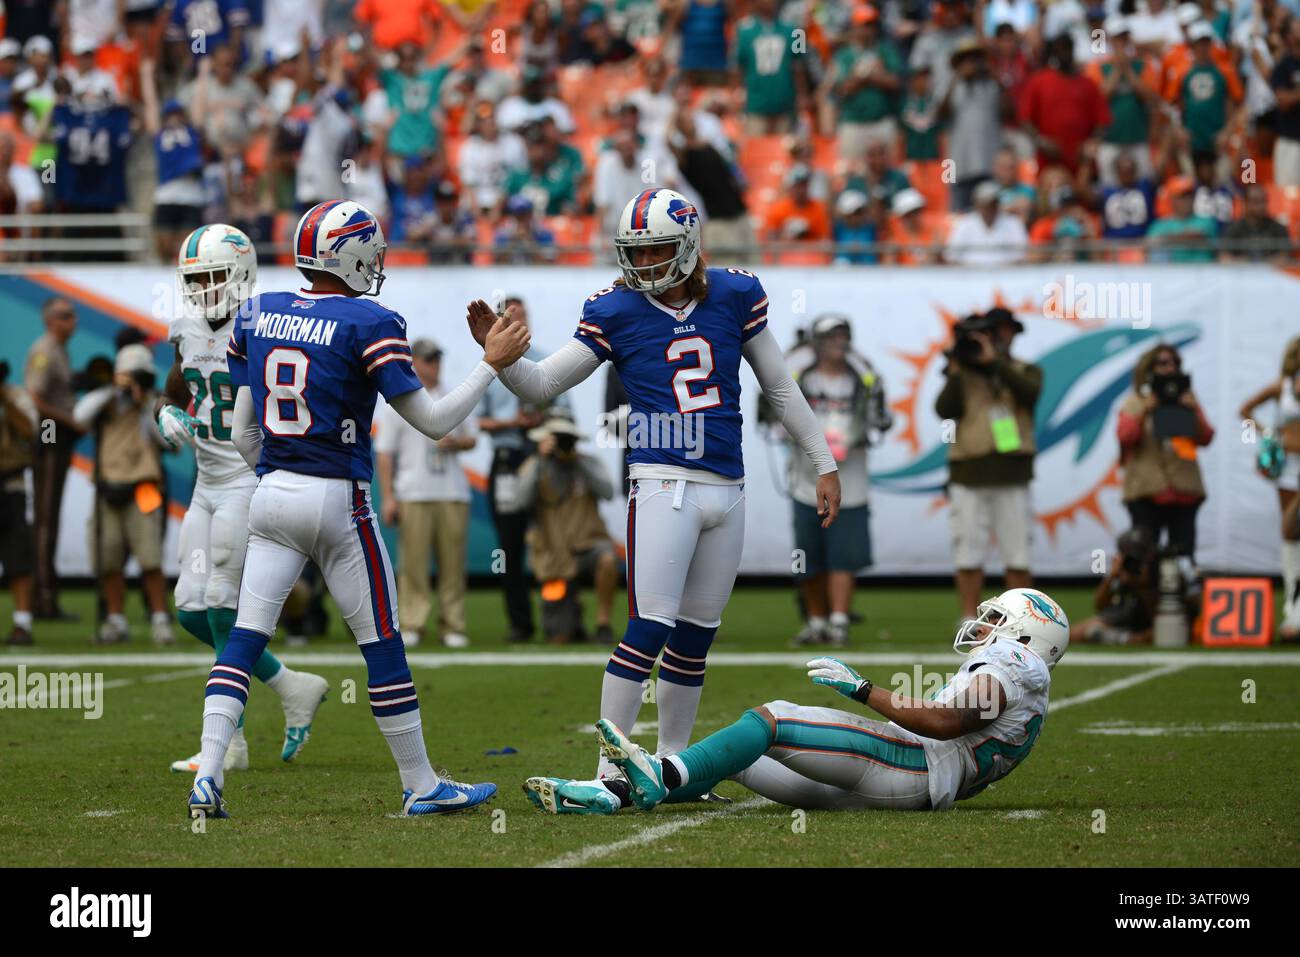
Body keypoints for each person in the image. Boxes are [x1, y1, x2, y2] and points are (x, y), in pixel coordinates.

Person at [464, 186, 840, 804]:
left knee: (695, 638)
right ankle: (609, 773)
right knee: (647, 629)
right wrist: (502, 358)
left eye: (656, 250)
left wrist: (822, 461)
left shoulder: (736, 293)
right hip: (664, 483)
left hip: (729, 486)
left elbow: (778, 384)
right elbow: (542, 385)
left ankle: (672, 770)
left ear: (688, 246)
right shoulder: (614, 309)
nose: (642, 265)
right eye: (634, 252)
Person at [184, 198, 530, 820]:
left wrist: (275, 474)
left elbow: (242, 434)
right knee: (382, 644)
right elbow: (433, 422)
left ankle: (208, 774)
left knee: (242, 637)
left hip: (270, 494)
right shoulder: (370, 321)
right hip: (339, 498)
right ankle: (421, 783)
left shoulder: (258, 313)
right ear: (350, 255)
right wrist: (489, 367)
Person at [525, 587, 1068, 815]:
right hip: (911, 787)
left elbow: (946, 721)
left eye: (999, 620)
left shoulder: (1015, 664)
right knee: (735, 756)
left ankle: (653, 779)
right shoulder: (1025, 677)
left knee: (773, 718)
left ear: (1026, 637)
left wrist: (864, 690)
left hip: (914, 764)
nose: (985, 625)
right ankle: (612, 794)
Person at [159, 224, 329, 774]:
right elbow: (177, 383)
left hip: (245, 480)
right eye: (196, 280)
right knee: (188, 609)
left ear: (240, 273)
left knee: (220, 603)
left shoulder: (260, 325)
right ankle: (291, 684)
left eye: (214, 277)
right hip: (204, 484)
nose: (205, 290)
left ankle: (227, 744)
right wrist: (165, 411)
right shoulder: (183, 327)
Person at [785, 315, 891, 648]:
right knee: (808, 556)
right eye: (830, 337)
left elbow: (881, 420)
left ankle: (839, 621)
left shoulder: (865, 379)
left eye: (843, 336)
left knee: (844, 556)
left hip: (852, 481)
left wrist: (866, 423)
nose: (838, 343)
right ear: (815, 342)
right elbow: (775, 417)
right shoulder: (799, 378)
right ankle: (816, 621)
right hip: (805, 480)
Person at [475, 294, 571, 643]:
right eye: (509, 316)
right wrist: (509, 423)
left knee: (552, 541)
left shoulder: (546, 361)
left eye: (521, 316)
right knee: (509, 547)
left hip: (543, 457)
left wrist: (543, 423)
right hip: (507, 461)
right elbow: (477, 422)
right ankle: (519, 623)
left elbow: (566, 414)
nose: (516, 321)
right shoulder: (487, 365)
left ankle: (559, 621)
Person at [935, 309, 1042, 620]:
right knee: (968, 549)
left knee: (1017, 551)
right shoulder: (962, 372)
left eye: (1007, 332)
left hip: (1012, 472)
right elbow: (944, 409)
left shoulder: (1026, 370)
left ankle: (1022, 616)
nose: (1002, 337)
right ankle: (969, 616)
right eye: (996, 332)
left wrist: (993, 362)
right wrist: (956, 367)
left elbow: (1030, 394)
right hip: (968, 471)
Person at [376, 338, 476, 649]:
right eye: (429, 359)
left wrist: (456, 443)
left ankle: (453, 625)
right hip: (413, 491)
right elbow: (384, 453)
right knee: (413, 565)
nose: (435, 365)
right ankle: (412, 623)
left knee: (452, 565)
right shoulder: (399, 399)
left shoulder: (453, 396)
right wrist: (389, 497)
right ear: (414, 362)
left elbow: (472, 439)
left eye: (437, 359)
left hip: (452, 491)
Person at [72, 343, 175, 646]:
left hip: (143, 487)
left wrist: (143, 404)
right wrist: (110, 390)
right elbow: (79, 417)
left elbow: (168, 442)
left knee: (150, 558)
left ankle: (159, 620)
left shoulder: (154, 403)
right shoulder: (104, 402)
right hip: (107, 487)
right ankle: (115, 619)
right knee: (108, 560)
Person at [507, 415, 618, 644]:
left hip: (589, 544)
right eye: (559, 439)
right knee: (559, 637)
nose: (564, 445)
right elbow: (519, 502)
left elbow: (608, 492)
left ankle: (603, 623)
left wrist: (577, 460)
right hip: (553, 553)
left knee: (607, 559)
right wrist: (540, 459)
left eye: (567, 439)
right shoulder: (535, 465)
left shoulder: (587, 462)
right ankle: (573, 621)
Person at [1117, 343, 1214, 563]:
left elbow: (1206, 437)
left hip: (1184, 490)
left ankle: (1180, 597)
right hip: (1146, 492)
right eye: (1163, 363)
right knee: (1143, 556)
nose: (1171, 368)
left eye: (1175, 363)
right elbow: (1125, 437)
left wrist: (1192, 412)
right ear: (1148, 369)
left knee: (1183, 557)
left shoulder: (1187, 400)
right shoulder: (1135, 402)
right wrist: (1145, 410)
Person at [25, 297, 82, 621]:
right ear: (50, 320)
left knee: (50, 519)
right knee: (45, 520)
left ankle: (45, 595)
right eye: (65, 315)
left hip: (58, 438)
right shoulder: (46, 350)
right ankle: (42, 598)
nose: (72, 320)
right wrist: (63, 427)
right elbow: (36, 399)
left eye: (73, 315)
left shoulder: (58, 350)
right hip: (50, 440)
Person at [1239, 336, 1300, 638]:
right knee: (1290, 530)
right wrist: (1269, 435)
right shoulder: (1283, 386)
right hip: (1289, 467)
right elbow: (1245, 409)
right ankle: (1293, 605)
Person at [0, 362, 38, 645]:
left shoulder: (16, 396)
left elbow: (32, 433)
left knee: (17, 556)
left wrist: (5, 399)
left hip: (9, 483)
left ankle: (22, 623)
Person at [1071, 527, 1158, 645]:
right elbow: (1099, 606)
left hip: (1152, 619)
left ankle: (1118, 638)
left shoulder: (1159, 571)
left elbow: (1159, 616)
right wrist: (1112, 577)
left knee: (1164, 632)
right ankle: (1121, 638)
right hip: (1126, 616)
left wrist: (1143, 586)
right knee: (1074, 633)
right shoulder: (1123, 570)